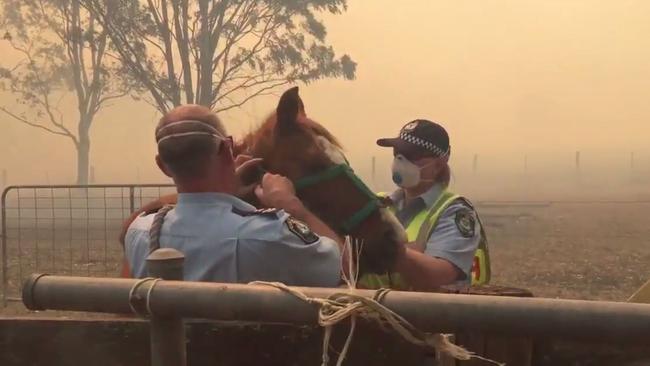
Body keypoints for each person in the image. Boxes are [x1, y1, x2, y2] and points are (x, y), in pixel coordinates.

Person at [124, 104, 346, 287]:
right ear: (227, 149)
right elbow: (344, 269)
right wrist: (293, 206)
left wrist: (227, 190)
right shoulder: (268, 236)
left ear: (162, 165)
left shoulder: (139, 234)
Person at [360, 119, 490, 291]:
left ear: (438, 164)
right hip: (370, 312)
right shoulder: (378, 204)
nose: (401, 159)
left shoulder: (454, 211)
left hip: (425, 315)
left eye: (412, 155)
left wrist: (388, 251)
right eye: (397, 152)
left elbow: (441, 274)